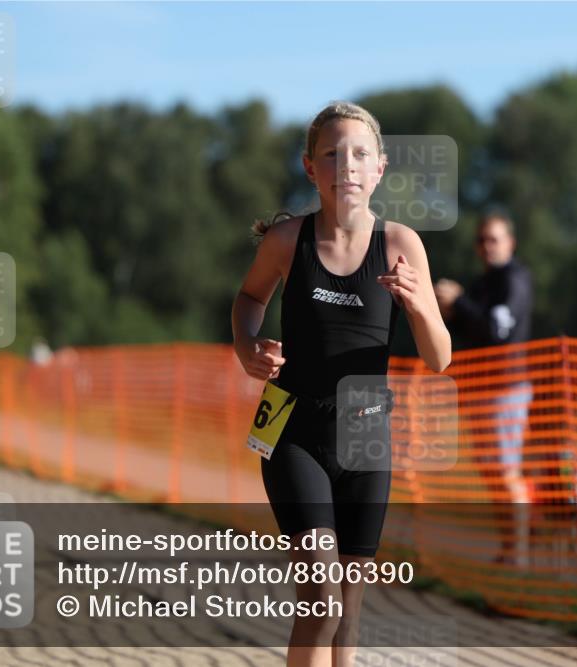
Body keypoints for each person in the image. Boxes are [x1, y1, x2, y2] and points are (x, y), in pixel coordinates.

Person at [232, 101, 451, 667]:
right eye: (331, 154)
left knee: (348, 613)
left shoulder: (401, 244)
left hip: (365, 435)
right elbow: (249, 298)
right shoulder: (288, 241)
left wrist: (417, 306)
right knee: (322, 603)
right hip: (294, 432)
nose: (346, 165)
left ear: (379, 168)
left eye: (359, 154)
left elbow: (440, 357)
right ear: (311, 168)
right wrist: (247, 345)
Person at [434, 212, 541, 566]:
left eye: (493, 239)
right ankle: (510, 547)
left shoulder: (514, 278)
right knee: (492, 472)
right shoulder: (484, 282)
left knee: (506, 471)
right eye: (481, 240)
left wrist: (459, 302)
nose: (486, 246)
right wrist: (450, 311)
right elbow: (474, 332)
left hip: (506, 388)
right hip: (482, 388)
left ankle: (519, 553)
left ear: (510, 243)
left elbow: (497, 330)